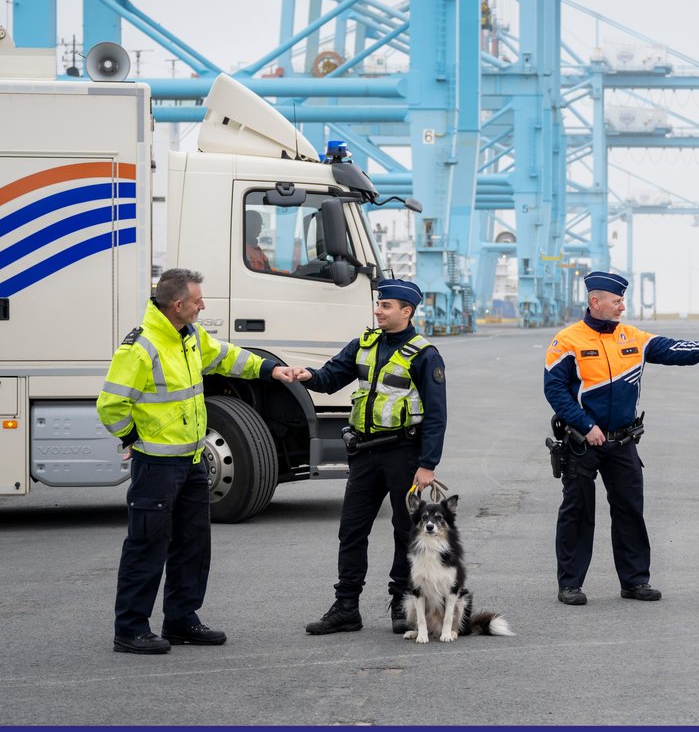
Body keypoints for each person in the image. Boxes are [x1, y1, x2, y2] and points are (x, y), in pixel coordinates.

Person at [97, 268, 294, 654]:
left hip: (190, 461)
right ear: (177, 305)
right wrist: (133, 438)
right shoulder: (141, 347)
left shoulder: (190, 337)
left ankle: (181, 620)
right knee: (147, 545)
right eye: (198, 300)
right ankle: (131, 628)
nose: (203, 305)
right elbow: (110, 405)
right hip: (156, 465)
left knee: (193, 544)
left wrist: (271, 369)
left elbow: (227, 357)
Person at [544, 270, 699, 605]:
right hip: (582, 442)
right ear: (595, 301)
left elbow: (674, 349)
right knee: (578, 512)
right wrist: (586, 426)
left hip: (622, 442)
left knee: (630, 510)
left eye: (621, 301)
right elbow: (555, 389)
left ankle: (635, 581)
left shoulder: (633, 337)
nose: (621, 307)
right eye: (617, 301)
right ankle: (570, 584)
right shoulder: (567, 341)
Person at [294, 278, 446, 635]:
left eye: (386, 305)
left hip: (404, 454)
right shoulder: (364, 345)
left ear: (406, 312)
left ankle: (401, 602)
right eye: (379, 304)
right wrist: (307, 376)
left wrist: (427, 464)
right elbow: (331, 377)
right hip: (364, 453)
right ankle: (346, 606)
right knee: (351, 531)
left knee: (402, 531)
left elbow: (437, 414)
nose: (378, 310)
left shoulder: (425, 354)